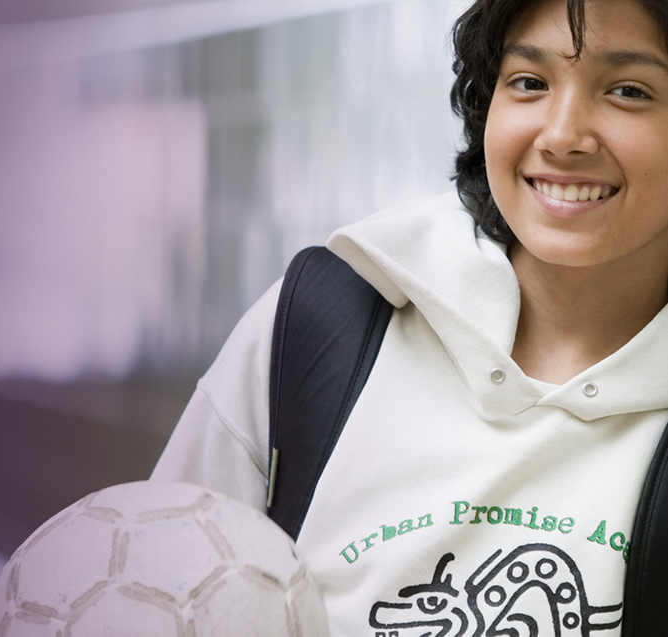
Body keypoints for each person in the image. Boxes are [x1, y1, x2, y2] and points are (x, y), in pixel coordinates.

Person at [151, 0, 668, 633]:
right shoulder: (331, 317)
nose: (562, 136)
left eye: (629, 91)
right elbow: (153, 596)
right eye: (529, 82)